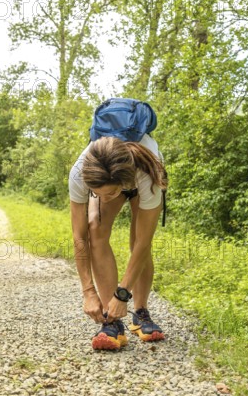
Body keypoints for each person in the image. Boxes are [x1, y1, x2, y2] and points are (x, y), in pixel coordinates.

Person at [68, 133, 167, 350]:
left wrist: (123, 294)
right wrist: (88, 291)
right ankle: (111, 319)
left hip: (139, 174)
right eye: (97, 194)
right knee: (96, 229)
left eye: (110, 193)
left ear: (124, 183)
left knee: (137, 240)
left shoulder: (150, 172)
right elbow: (79, 236)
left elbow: (144, 242)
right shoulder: (78, 173)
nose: (102, 198)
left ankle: (140, 313)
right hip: (110, 175)